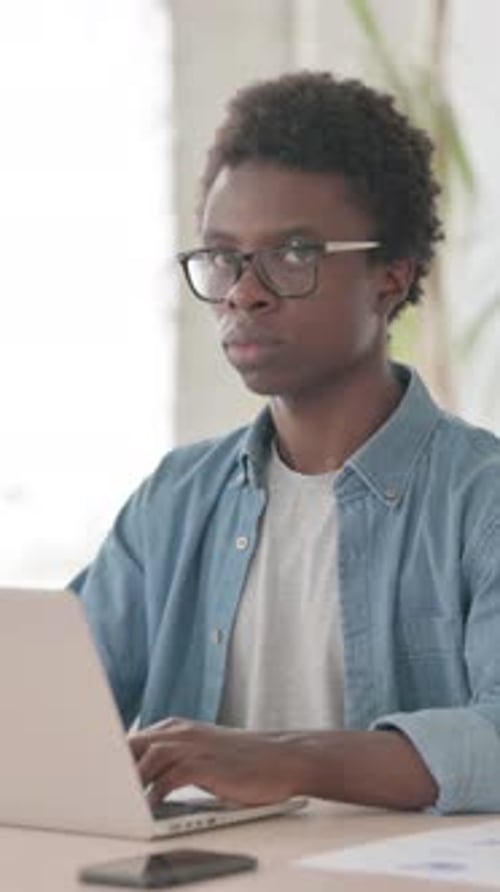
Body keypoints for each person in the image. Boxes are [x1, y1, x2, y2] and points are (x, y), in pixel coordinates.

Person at [73, 70, 500, 816]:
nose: (244, 290)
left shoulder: (481, 502)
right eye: (223, 256)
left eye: (293, 254)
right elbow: (51, 708)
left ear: (390, 278)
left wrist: (289, 760)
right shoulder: (174, 500)